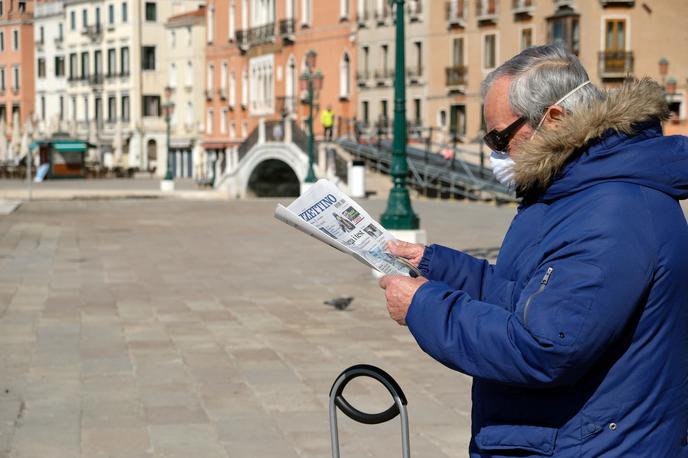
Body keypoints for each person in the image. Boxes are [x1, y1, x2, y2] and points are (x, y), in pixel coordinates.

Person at [378, 45, 688, 457]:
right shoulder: (569, 193)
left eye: (500, 137)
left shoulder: (610, 211)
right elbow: (530, 296)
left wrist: (423, 308)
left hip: (589, 445)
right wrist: (436, 265)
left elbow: (547, 347)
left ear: (555, 120)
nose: (496, 153)